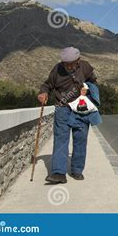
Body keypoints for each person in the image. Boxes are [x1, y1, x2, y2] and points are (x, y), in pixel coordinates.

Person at [38, 46, 98, 184]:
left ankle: (77, 170)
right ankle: (59, 173)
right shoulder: (57, 69)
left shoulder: (85, 67)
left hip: (81, 108)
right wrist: (43, 92)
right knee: (61, 139)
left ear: (79, 60)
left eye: (72, 63)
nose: (69, 66)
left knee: (80, 138)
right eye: (66, 64)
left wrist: (87, 89)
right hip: (62, 108)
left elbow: (93, 82)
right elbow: (47, 85)